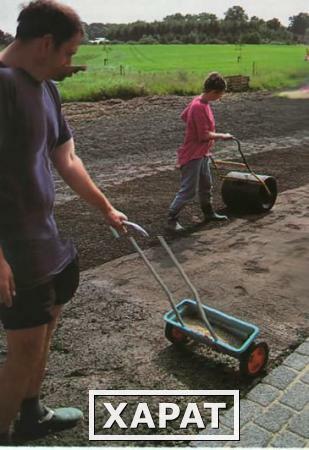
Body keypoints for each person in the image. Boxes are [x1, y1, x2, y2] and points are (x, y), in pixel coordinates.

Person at [0, 0, 127, 443]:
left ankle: (32, 414)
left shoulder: (45, 87)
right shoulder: (3, 88)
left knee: (47, 325)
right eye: (69, 53)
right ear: (46, 44)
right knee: (24, 349)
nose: (71, 64)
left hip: (45, 240)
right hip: (13, 247)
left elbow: (66, 158)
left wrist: (106, 208)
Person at [167, 72, 234, 231]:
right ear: (213, 92)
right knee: (188, 190)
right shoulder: (198, 106)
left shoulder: (200, 102)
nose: (220, 98)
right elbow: (203, 135)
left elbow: (184, 116)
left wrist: (195, 126)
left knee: (206, 185)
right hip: (193, 154)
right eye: (220, 95)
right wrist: (222, 136)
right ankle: (171, 219)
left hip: (203, 153)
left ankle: (209, 213)